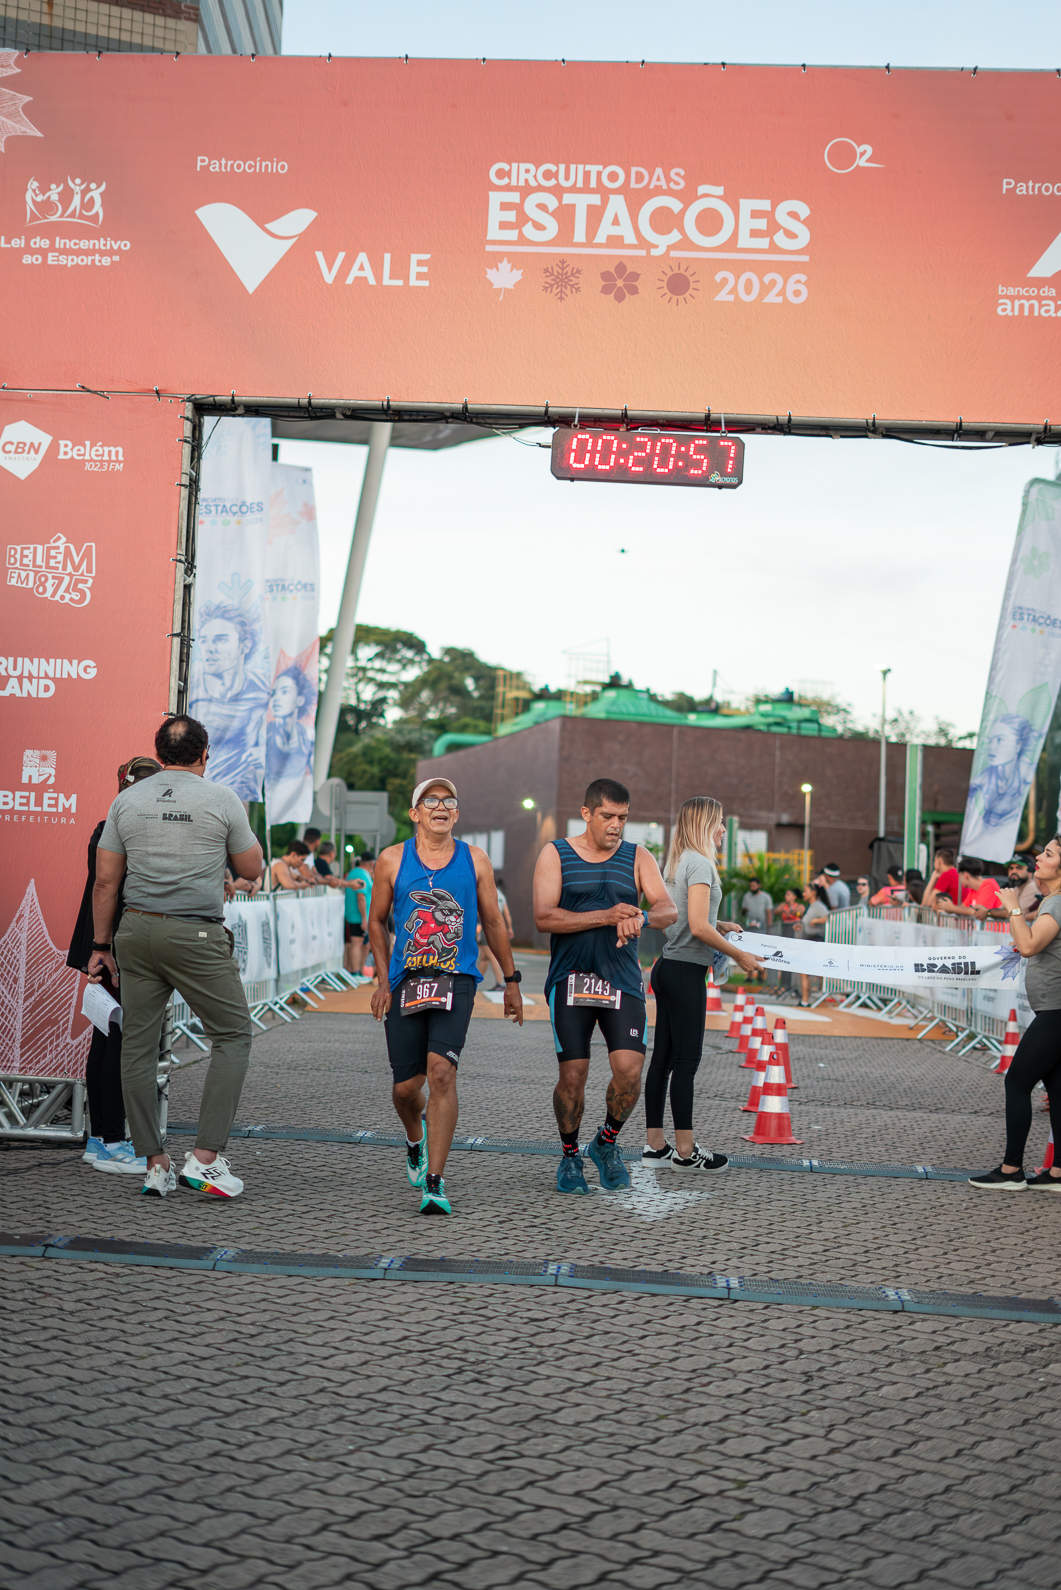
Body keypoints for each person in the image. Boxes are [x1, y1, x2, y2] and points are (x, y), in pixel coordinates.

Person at [88, 714, 263, 1199]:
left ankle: (154, 1163)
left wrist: (100, 947)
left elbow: (105, 883)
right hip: (196, 935)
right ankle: (204, 1160)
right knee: (233, 1035)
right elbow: (252, 868)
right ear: (205, 754)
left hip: (135, 932)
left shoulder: (126, 800)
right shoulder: (222, 798)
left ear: (159, 753)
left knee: (137, 1048)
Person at [369, 778, 523, 1215]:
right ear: (415, 813)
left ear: (456, 814)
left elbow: (493, 922)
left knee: (440, 1073)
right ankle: (414, 1138)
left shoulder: (475, 859)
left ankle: (434, 1182)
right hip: (406, 979)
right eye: (430, 800)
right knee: (405, 1089)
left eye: (449, 801)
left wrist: (511, 980)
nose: (441, 806)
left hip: (457, 978)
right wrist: (383, 980)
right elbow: (377, 921)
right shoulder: (392, 859)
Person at [533, 777, 677, 1195]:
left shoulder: (637, 856)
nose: (616, 825)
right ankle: (569, 1155)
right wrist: (607, 915)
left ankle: (605, 1143)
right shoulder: (556, 853)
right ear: (587, 813)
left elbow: (667, 908)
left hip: (622, 980)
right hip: (571, 979)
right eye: (608, 816)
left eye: (623, 818)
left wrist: (642, 917)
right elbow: (543, 917)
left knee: (629, 1072)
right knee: (573, 1075)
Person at [643, 797, 763, 1171]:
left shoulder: (679, 860)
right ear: (704, 825)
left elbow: (685, 918)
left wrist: (720, 924)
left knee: (662, 1060)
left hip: (668, 966)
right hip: (684, 971)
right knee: (686, 1061)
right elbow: (696, 926)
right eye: (719, 822)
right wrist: (740, 955)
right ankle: (685, 1151)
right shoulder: (700, 863)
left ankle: (655, 1146)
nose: (724, 829)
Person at [68, 755, 161, 1175]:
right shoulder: (124, 830)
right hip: (117, 946)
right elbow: (109, 887)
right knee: (119, 1042)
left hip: (106, 943)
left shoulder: (108, 827)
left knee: (107, 1039)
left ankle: (101, 1138)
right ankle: (112, 1141)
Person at [969, 835, 1061, 1190]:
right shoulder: (1052, 901)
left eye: (1048, 854)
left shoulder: (1057, 904)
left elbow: (1029, 945)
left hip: (1055, 1012)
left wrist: (1013, 908)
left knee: (1017, 1082)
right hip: (1052, 1010)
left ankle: (1011, 1171)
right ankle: (1057, 1174)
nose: (1039, 857)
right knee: (1056, 1088)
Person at [798, 882, 832, 1007]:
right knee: (805, 971)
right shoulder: (811, 906)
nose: (803, 894)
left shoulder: (818, 906)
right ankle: (806, 1000)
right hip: (808, 940)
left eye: (805, 891)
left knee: (815, 971)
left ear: (813, 892)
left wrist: (816, 920)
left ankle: (820, 999)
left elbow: (829, 917)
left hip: (816, 940)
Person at [934, 858, 1002, 920]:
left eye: (960, 876)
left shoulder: (989, 885)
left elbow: (978, 912)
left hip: (995, 929)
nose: (960, 880)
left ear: (965, 875)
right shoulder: (973, 890)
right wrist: (948, 909)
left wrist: (952, 908)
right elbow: (963, 908)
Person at [477, 875, 514, 989]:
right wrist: (510, 928)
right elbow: (507, 914)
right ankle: (475, 981)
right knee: (484, 958)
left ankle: (500, 982)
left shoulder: (487, 893)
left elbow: (479, 911)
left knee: (490, 954)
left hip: (487, 925)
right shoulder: (501, 896)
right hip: (498, 926)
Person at [344, 851, 373, 977]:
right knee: (357, 942)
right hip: (359, 917)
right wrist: (364, 919)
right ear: (372, 863)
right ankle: (356, 972)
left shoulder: (354, 872)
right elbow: (361, 898)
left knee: (364, 944)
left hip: (357, 915)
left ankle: (358, 972)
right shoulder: (362, 874)